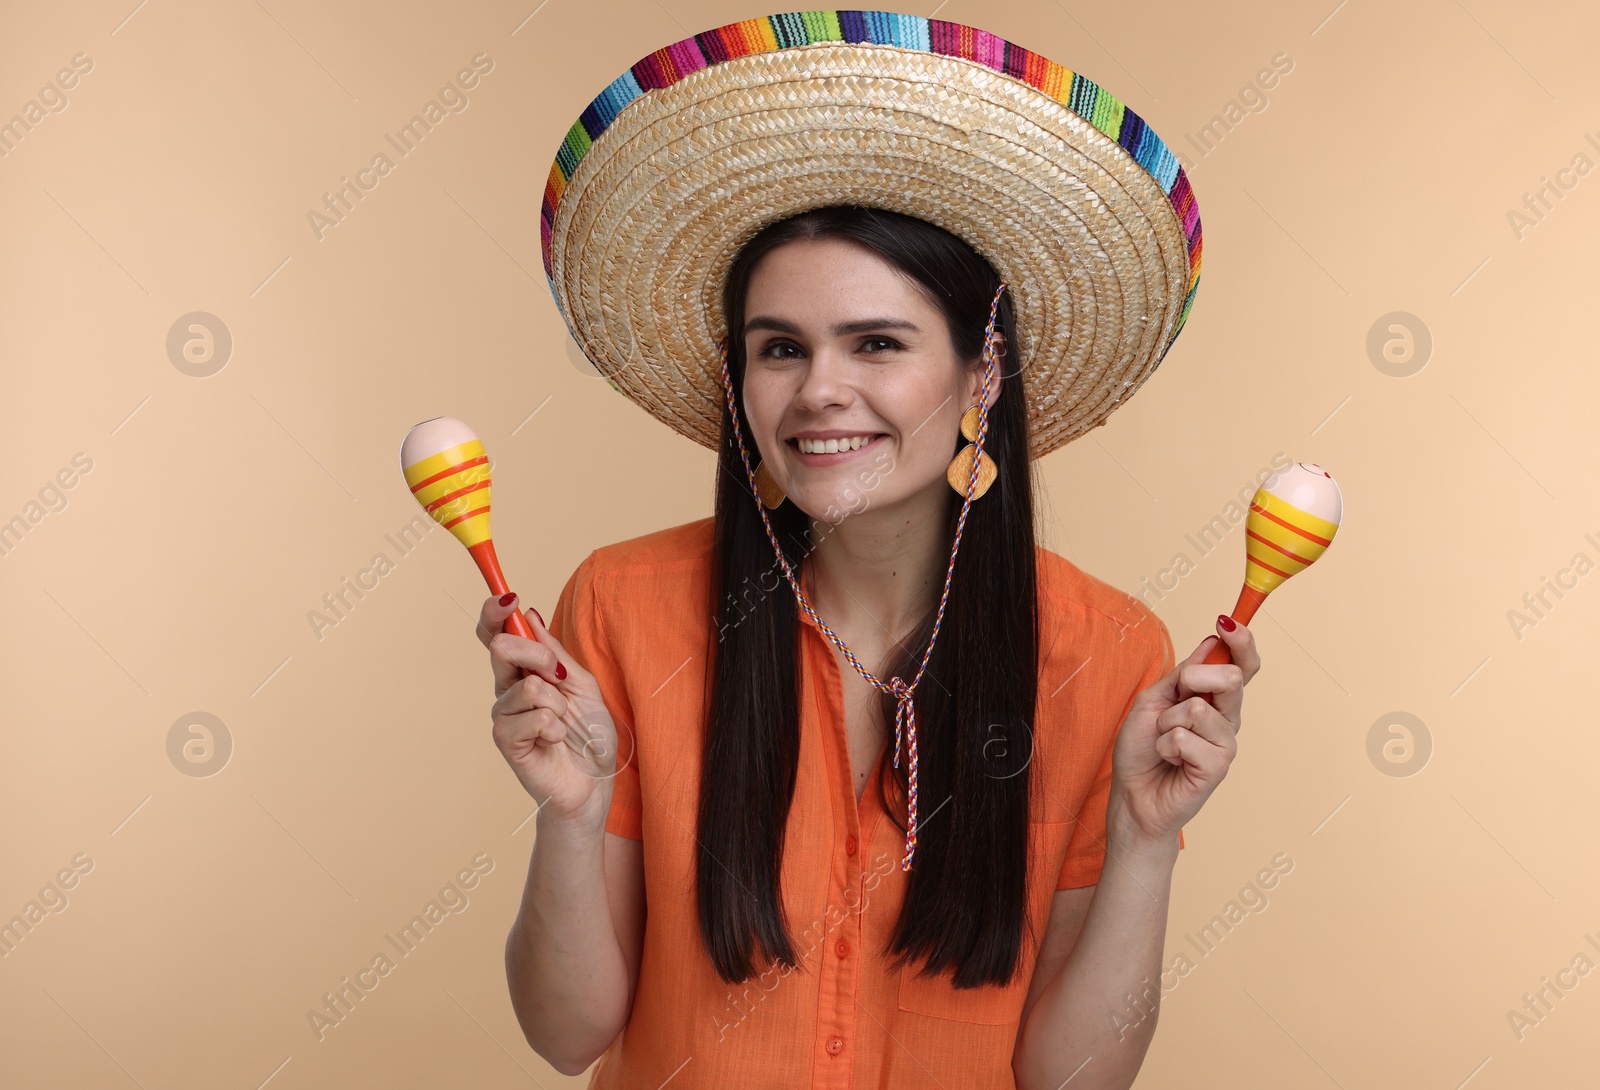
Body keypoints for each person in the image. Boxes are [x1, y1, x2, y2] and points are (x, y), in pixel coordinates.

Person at [478, 12, 1254, 1088]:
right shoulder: (622, 605)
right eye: (779, 349)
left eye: (877, 344)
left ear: (983, 376)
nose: (818, 393)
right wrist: (570, 814)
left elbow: (1074, 1079)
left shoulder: (1107, 649)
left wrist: (1143, 838)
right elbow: (566, 1034)